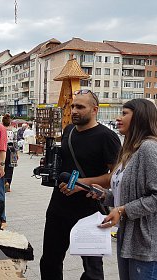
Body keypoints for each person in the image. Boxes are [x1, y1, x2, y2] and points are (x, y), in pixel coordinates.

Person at [88, 99, 157, 280]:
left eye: (124, 113)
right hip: (132, 239)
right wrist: (106, 196)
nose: (118, 118)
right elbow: (132, 192)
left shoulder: (150, 148)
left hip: (149, 243)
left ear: (140, 118)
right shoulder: (131, 150)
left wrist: (123, 210)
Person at [40, 90, 121, 280]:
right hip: (59, 205)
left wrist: (81, 183)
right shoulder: (69, 130)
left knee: (92, 268)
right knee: (50, 260)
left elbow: (116, 177)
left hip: (89, 208)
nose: (74, 110)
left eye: (80, 107)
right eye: (73, 106)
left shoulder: (106, 137)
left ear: (94, 110)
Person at [2, 114, 18, 192]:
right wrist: (17, 153)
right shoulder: (13, 130)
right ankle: (9, 184)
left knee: (3, 167)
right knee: (11, 168)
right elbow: (15, 142)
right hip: (12, 150)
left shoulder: (1, 129)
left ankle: (4, 182)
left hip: (4, 149)